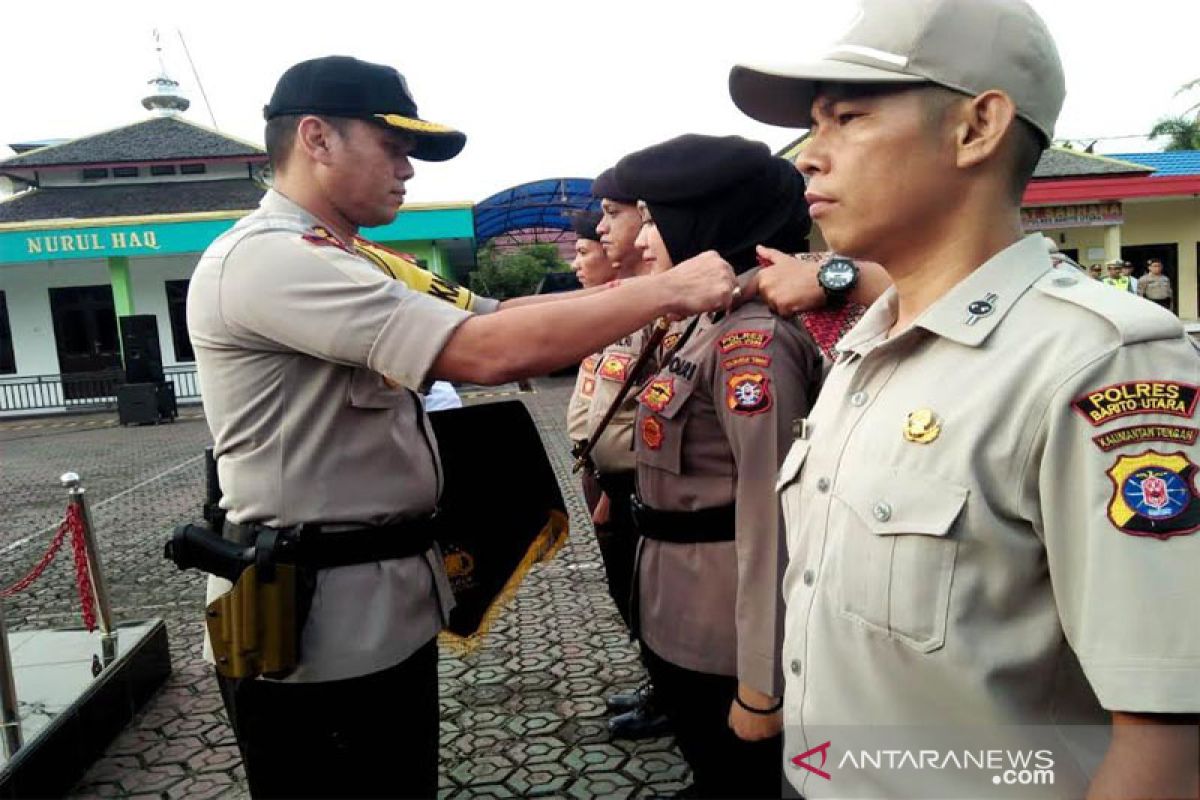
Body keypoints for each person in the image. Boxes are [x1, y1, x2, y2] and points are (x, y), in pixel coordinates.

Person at [188, 55, 737, 799]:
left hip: (371, 597)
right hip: (316, 616)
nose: (408, 170)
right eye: (393, 146)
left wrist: (647, 292)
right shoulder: (272, 262)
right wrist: (668, 289)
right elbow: (487, 353)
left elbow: (501, 316)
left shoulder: (354, 259)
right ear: (316, 138)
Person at [730, 0, 1200, 797]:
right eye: (815, 125)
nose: (809, 156)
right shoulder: (867, 344)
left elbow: (1166, 751)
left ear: (976, 128)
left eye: (846, 117)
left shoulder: (1100, 364)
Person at [615, 134, 825, 798]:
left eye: (654, 219)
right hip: (675, 606)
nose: (642, 239)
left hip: (725, 632)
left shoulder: (751, 340)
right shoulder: (703, 320)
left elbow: (773, 517)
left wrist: (761, 683)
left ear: (705, 223)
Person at [586, 168, 673, 739]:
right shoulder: (629, 305)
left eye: (614, 213)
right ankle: (662, 686)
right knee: (635, 598)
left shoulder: (665, 313)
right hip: (618, 481)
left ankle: (672, 696)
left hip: (654, 494)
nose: (605, 227)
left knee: (659, 607)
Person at [565, 209, 612, 514]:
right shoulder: (598, 312)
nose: (574, 264)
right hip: (592, 465)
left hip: (614, 478)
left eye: (583, 252)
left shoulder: (631, 317)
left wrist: (609, 495)